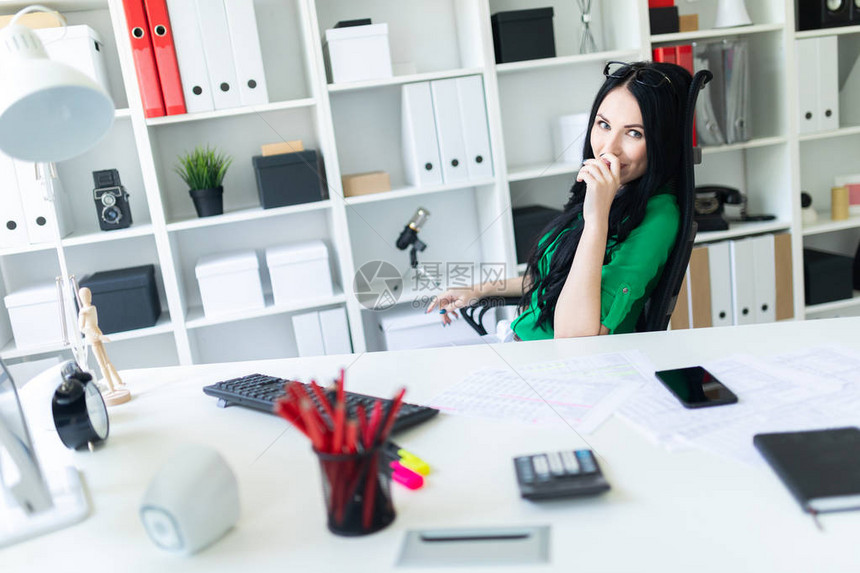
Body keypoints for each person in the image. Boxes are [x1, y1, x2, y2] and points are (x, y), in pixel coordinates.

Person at [427, 61, 693, 340]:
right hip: (520, 343)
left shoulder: (658, 218)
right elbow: (557, 276)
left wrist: (596, 220)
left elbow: (573, 336)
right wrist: (479, 289)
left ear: (662, 142)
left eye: (634, 133)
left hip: (559, 367)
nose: (609, 148)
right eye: (603, 125)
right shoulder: (612, 191)